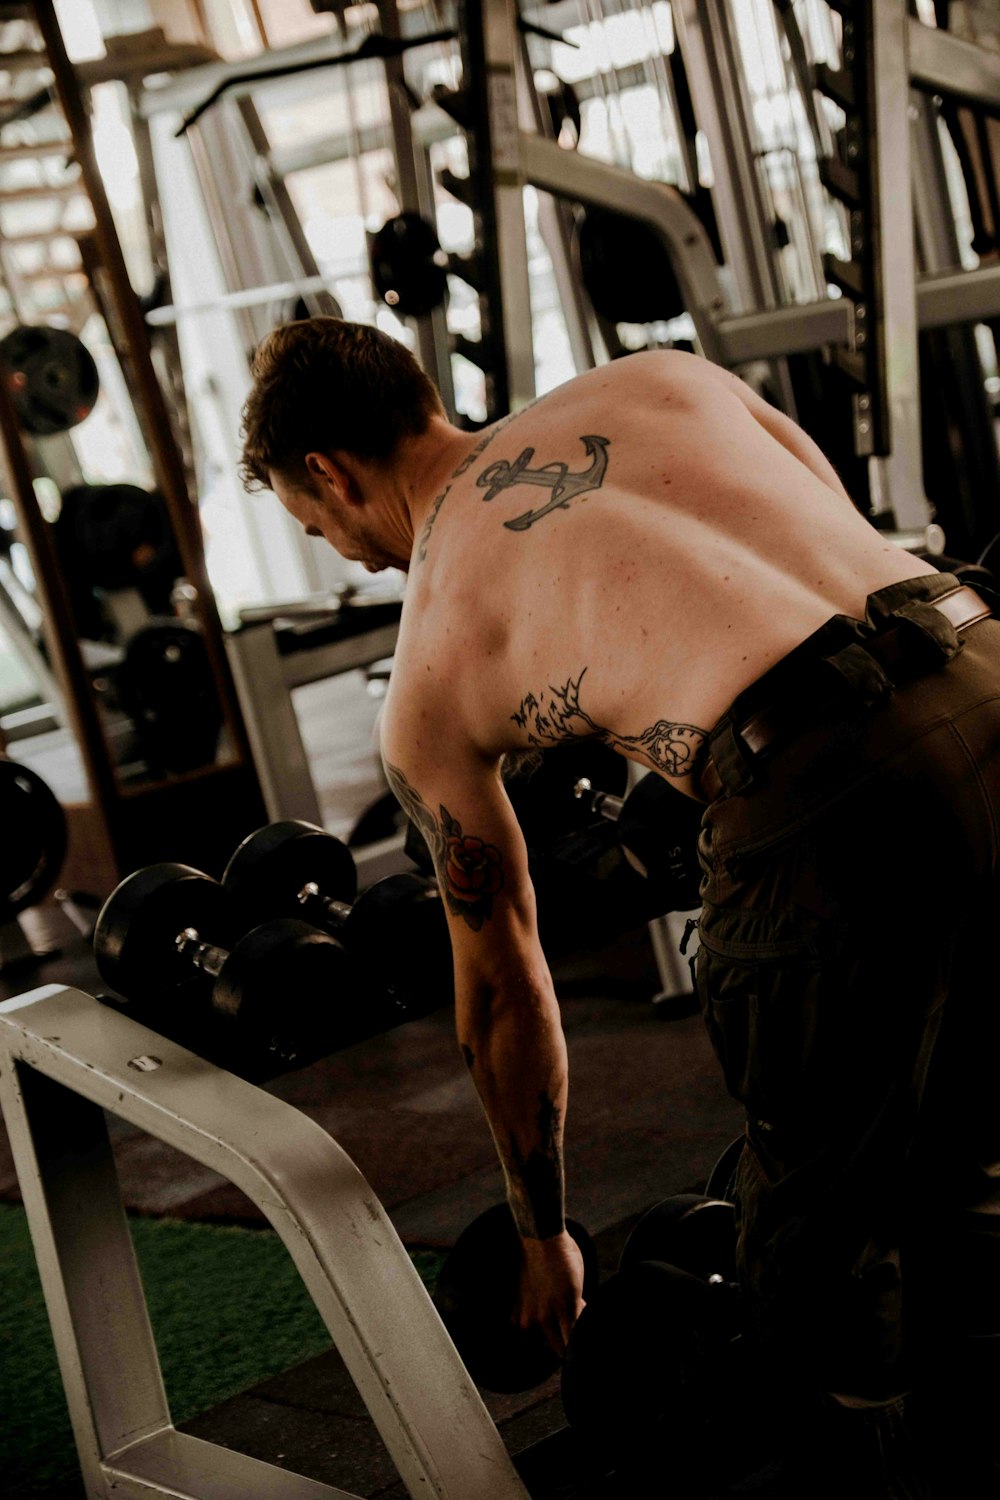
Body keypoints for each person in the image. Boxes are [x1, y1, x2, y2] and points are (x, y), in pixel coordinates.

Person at [240, 317, 1000, 1498]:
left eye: (317, 524)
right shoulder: (663, 381)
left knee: (822, 1282)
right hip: (983, 659)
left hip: (828, 801)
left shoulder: (433, 666)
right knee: (976, 1160)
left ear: (330, 473)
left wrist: (540, 1234)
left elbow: (503, 992)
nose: (348, 554)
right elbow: (830, 561)